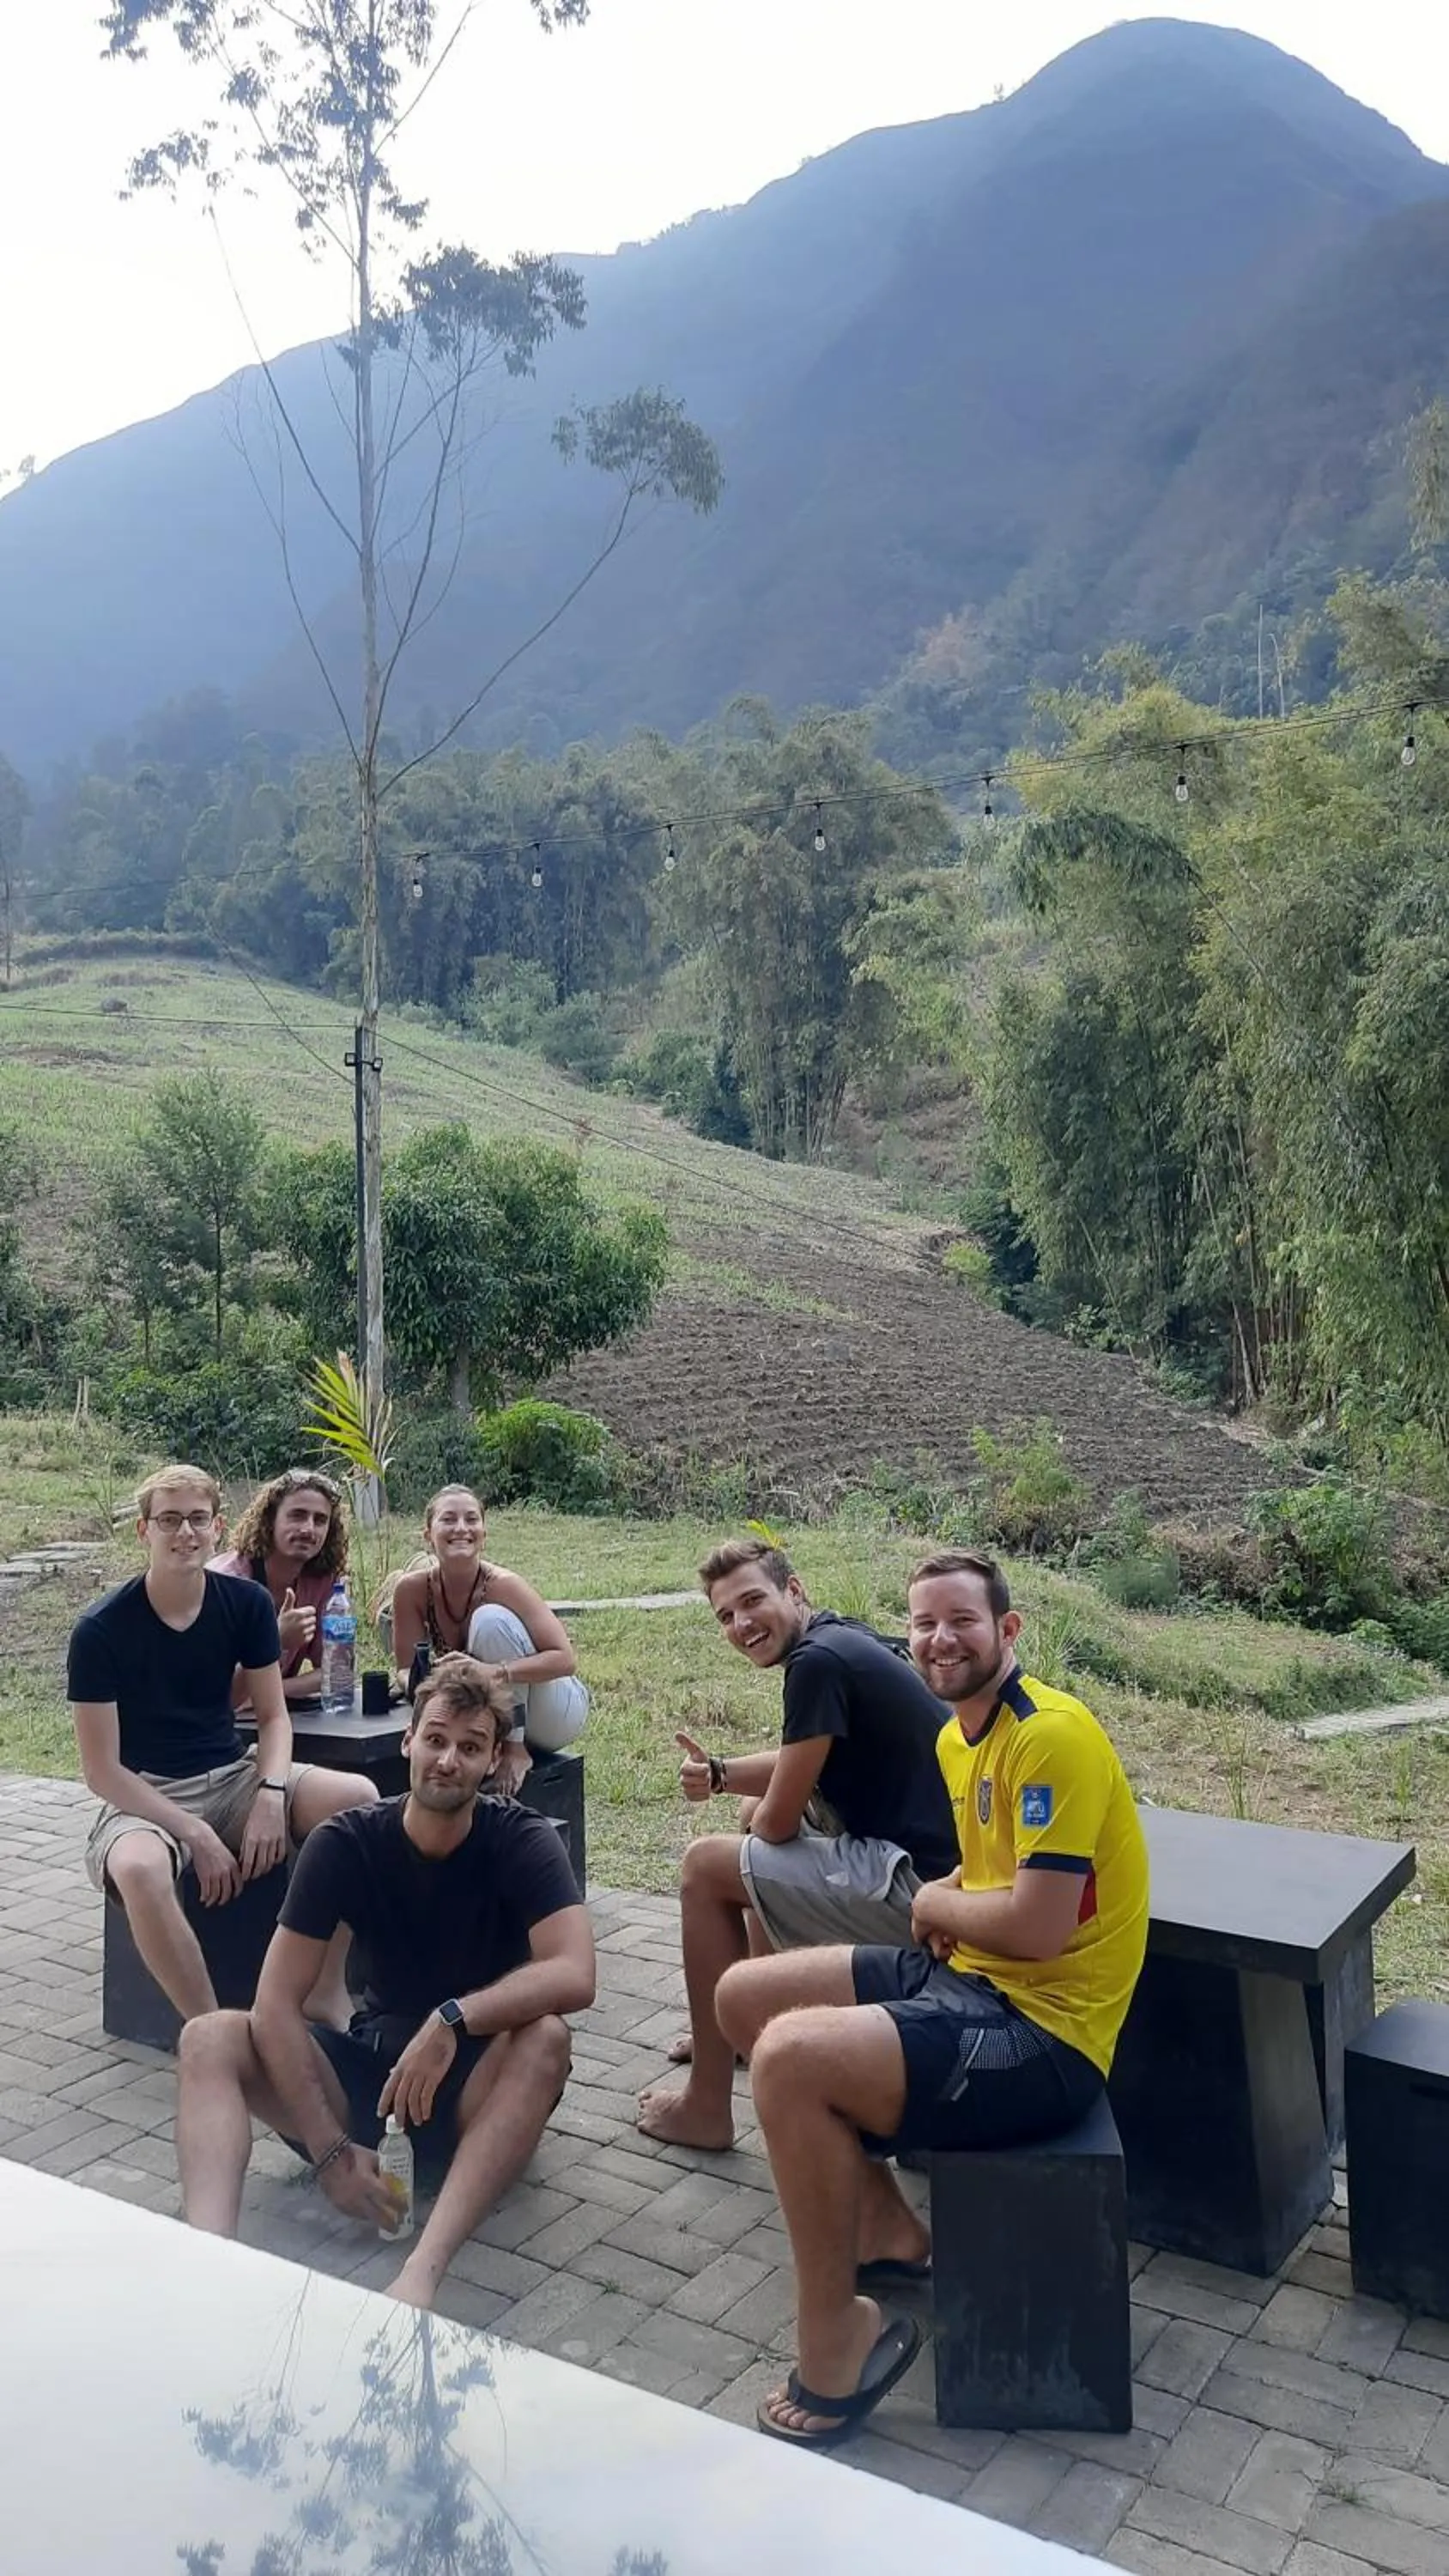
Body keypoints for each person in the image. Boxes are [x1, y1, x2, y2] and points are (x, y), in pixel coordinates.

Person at [710, 1546, 1150, 2447]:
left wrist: (939, 1903)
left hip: (1044, 2033)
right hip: (973, 1979)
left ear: (1008, 1630)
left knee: (790, 2063)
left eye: (961, 1621)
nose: (940, 1640)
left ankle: (837, 2340)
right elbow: (986, 1873)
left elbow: (1034, 1928)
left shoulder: (1049, 1736)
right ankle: (882, 2227)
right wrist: (953, 1894)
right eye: (922, 1624)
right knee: (743, 2000)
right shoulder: (959, 1734)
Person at [175, 1652, 596, 2310]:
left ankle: (423, 2272)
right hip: (369, 2082)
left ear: (492, 1761)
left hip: (476, 2088)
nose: (448, 1760)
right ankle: (208, 2267)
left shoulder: (522, 1840)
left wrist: (453, 2019)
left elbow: (576, 1972)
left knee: (546, 2037)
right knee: (208, 2038)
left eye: (469, 1746)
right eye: (435, 1740)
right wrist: (330, 2153)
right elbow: (274, 2004)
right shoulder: (346, 1841)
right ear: (408, 1742)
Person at [635, 1536, 959, 2152]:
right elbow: (804, 1760)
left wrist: (761, 1824)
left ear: (793, 1590)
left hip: (927, 1893)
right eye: (725, 1616)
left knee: (706, 1868)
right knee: (751, 1819)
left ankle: (707, 2106)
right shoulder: (841, 1636)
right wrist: (725, 1775)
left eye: (752, 1601)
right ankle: (747, 2021)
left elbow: (781, 1822)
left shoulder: (815, 1665)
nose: (741, 1624)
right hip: (938, 1865)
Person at [68, 1463, 377, 2027]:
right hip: (146, 1795)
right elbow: (102, 1771)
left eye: (196, 1519)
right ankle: (211, 2032)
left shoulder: (246, 1604)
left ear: (217, 1527)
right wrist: (193, 1831)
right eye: (168, 1520)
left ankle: (324, 1988)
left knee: (358, 1797)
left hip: (233, 1775)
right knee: (138, 1868)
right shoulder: (101, 1630)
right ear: (145, 1531)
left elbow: (273, 1718)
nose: (184, 1533)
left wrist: (269, 1792)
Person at [389, 1485, 587, 1795]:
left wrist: (495, 1672)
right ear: (428, 1534)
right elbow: (405, 1669)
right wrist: (430, 1680)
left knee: (490, 1621)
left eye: (471, 1520)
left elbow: (565, 1660)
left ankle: (514, 1748)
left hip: (555, 1710)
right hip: (489, 1714)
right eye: (448, 1519)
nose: (461, 1529)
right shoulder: (411, 1590)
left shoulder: (504, 1585)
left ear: (484, 1534)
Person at [209, 1466, 349, 1704]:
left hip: (272, 1716)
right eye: (297, 1515)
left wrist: (272, 1691)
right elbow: (216, 1694)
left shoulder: (323, 1583)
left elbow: (336, 1673)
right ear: (270, 1519)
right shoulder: (225, 1584)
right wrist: (275, 1639)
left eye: (320, 1520)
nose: (308, 1529)